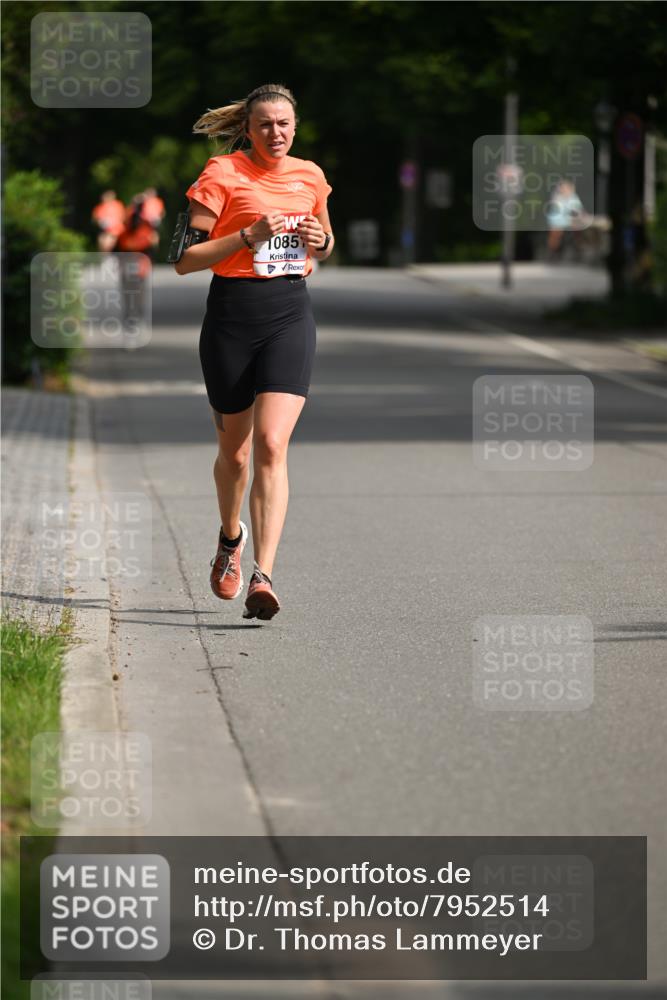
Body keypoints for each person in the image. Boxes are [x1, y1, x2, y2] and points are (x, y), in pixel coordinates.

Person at [174, 83, 333, 620]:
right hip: (231, 320)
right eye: (265, 124)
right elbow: (183, 258)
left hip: (290, 315)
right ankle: (230, 538)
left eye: (285, 124)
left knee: (271, 443)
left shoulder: (310, 176)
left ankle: (263, 575)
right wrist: (246, 236)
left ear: (296, 126)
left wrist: (320, 238)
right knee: (236, 454)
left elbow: (327, 242)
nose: (277, 133)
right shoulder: (221, 175)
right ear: (248, 127)